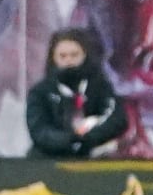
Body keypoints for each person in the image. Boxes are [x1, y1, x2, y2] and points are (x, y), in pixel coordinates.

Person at [26, 28, 128, 158]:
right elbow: (39, 131)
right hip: (48, 159)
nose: (69, 61)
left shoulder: (101, 86)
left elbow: (118, 120)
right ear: (53, 58)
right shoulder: (40, 92)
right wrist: (71, 139)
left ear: (84, 55)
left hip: (94, 157)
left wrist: (88, 137)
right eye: (62, 56)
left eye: (74, 55)